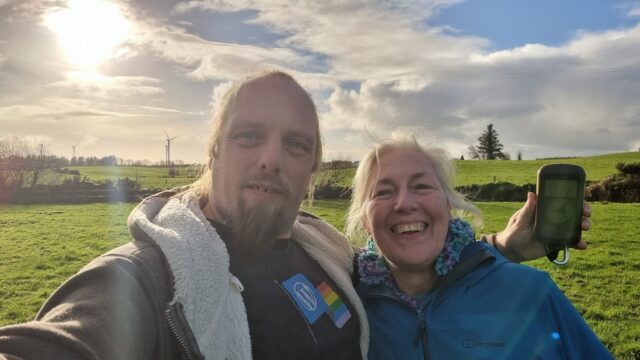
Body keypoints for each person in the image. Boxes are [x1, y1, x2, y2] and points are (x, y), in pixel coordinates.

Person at [0, 70, 589, 360]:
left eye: (295, 145)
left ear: (312, 173)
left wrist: (500, 252)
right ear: (213, 152)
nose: (270, 159)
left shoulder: (330, 256)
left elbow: (426, 275)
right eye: (249, 136)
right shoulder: (149, 277)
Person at [346, 135, 611, 359]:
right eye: (383, 192)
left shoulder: (532, 292)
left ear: (448, 208)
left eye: (422, 186)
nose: (404, 203)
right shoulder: (348, 309)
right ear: (365, 222)